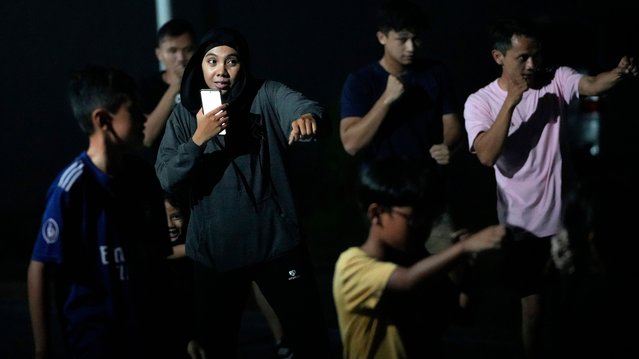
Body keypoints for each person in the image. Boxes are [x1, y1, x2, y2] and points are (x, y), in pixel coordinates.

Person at [463, 16, 637, 358]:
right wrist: (511, 101)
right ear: (499, 58)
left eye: (535, 56)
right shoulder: (479, 102)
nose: (532, 64)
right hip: (521, 227)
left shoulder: (556, 79)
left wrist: (616, 73)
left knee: (575, 307)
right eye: (522, 58)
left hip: (565, 224)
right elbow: (485, 155)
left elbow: (588, 85)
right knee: (533, 311)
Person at [155, 27, 332, 358]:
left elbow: (304, 106)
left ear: (243, 66)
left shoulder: (265, 94)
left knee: (310, 340)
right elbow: (165, 177)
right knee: (216, 346)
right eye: (212, 61)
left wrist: (306, 117)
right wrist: (198, 138)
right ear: (200, 67)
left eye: (231, 61)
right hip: (214, 254)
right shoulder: (183, 115)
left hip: (275, 244)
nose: (221, 70)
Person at [27, 64, 172, 358]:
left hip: (145, 335)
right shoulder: (71, 187)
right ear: (103, 119)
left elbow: (158, 259)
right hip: (94, 342)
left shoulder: (143, 177)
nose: (144, 119)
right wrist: (43, 349)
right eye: (133, 110)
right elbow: (40, 267)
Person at [332, 157, 505, 358]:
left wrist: (467, 270)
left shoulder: (419, 262)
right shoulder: (352, 265)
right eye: (415, 218)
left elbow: (461, 314)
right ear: (376, 213)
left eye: (429, 218)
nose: (424, 228)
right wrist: (463, 248)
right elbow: (406, 280)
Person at [339, 0, 464, 233]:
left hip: (430, 195)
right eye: (402, 39)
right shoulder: (360, 81)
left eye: (416, 38)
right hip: (384, 200)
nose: (411, 47)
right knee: (392, 269)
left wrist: (448, 144)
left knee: (444, 264)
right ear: (382, 38)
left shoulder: (436, 73)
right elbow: (351, 143)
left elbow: (453, 124)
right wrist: (386, 99)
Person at [138, 18, 196, 160]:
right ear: (159, 54)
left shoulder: (209, 84)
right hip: (161, 172)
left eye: (188, 50)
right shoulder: (146, 88)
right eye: (173, 51)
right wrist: (176, 86)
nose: (181, 58)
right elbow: (146, 137)